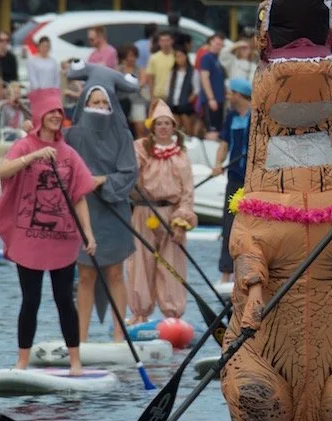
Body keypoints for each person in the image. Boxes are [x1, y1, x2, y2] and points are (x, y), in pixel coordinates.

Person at [0, 88, 97, 374]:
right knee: (31, 300)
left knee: (64, 299)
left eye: (59, 113)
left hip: (62, 238)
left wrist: (89, 234)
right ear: (40, 115)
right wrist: (34, 155)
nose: (55, 116)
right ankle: (22, 362)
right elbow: (3, 171)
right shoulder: (25, 145)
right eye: (51, 112)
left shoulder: (69, 154)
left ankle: (75, 362)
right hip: (29, 238)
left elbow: (79, 197)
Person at [63, 64, 140, 343]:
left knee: (115, 272)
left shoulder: (123, 135)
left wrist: (103, 181)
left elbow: (129, 172)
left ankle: (119, 336)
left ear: (112, 106)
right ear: (84, 104)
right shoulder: (72, 136)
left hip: (113, 208)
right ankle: (81, 339)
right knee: (85, 275)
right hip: (83, 210)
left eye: (103, 102)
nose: (98, 107)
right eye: (94, 102)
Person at [127, 101, 197, 323]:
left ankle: (172, 313)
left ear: (173, 127)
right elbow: (129, 172)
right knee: (141, 262)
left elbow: (187, 192)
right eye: (159, 123)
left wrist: (181, 221)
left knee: (171, 264)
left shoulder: (181, 156)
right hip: (143, 212)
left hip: (171, 215)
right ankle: (140, 313)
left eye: (167, 123)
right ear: (153, 126)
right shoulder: (141, 149)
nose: (163, 127)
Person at [213, 77, 251, 286]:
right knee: (229, 226)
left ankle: (247, 272)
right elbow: (224, 144)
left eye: (230, 93)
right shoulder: (231, 116)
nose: (228, 96)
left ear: (238, 94)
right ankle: (226, 274)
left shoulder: (257, 116)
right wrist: (218, 164)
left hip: (253, 181)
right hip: (234, 178)